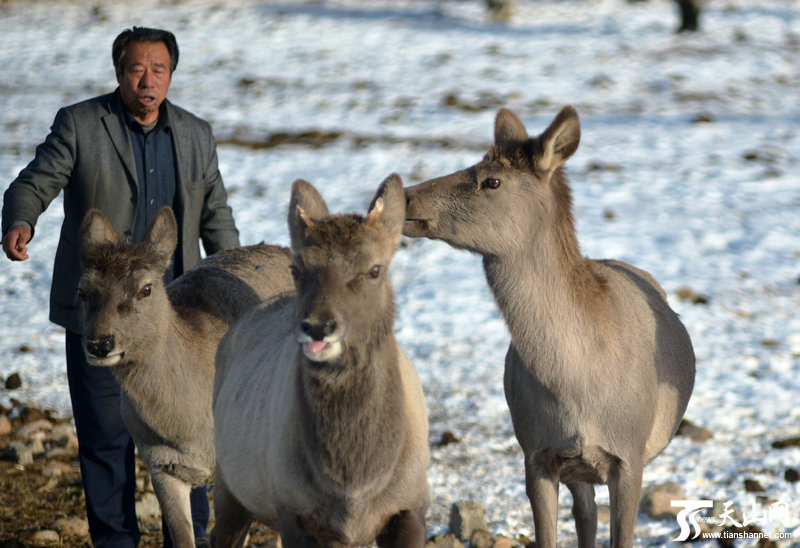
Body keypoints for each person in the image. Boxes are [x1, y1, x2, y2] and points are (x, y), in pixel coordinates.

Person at [1, 27, 240, 548]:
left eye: (159, 69)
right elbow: (34, 181)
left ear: (172, 74)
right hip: (101, 317)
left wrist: (235, 275)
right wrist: (20, 221)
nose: (147, 80)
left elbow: (216, 215)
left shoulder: (196, 134)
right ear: (118, 72)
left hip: (176, 319)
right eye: (137, 69)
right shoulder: (81, 124)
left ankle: (191, 539)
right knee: (106, 441)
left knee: (191, 437)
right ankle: (115, 542)